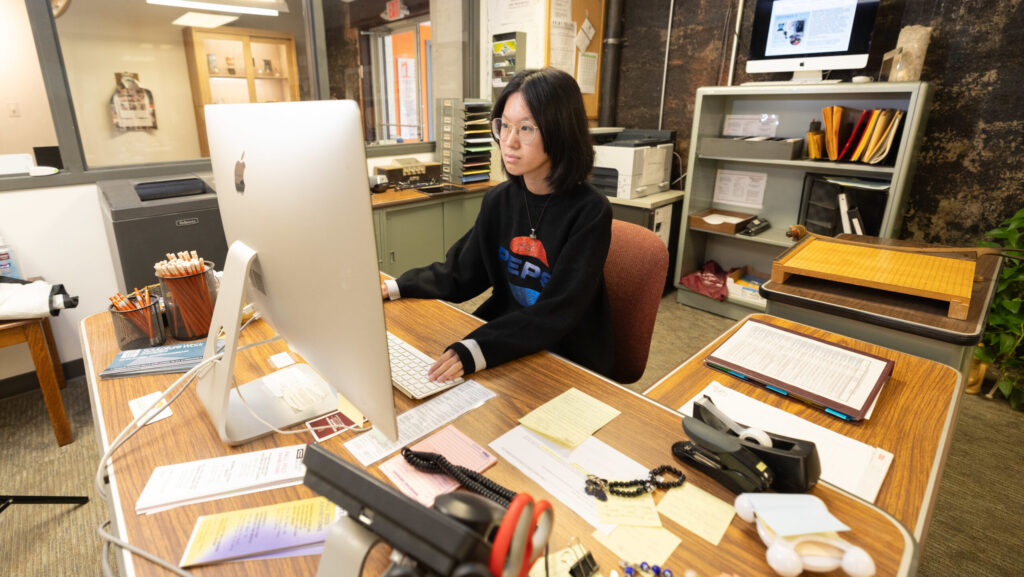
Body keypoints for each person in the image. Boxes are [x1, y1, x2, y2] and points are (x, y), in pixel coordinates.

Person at [381, 67, 615, 382]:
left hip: (563, 355)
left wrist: (477, 350)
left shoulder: (590, 212)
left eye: (526, 128)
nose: (509, 141)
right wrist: (396, 287)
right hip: (509, 342)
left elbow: (558, 312)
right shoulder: (500, 200)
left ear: (561, 131)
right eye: (503, 125)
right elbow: (461, 273)